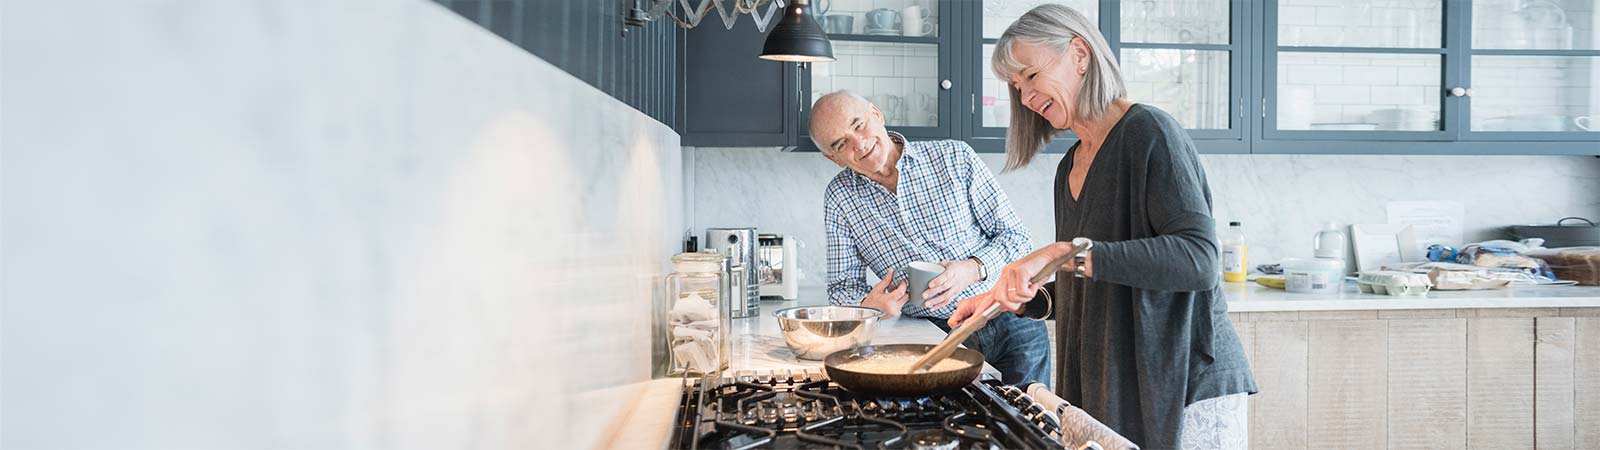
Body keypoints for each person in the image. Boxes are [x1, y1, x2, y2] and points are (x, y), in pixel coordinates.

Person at [948, 5, 1257, 449]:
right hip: (1115, 383)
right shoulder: (1070, 166)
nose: (1026, 97)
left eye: (1031, 76)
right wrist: (1028, 300)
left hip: (1183, 383)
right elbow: (1096, 282)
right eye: (1016, 87)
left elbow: (1200, 259)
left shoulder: (1149, 132)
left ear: (1079, 53)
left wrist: (1063, 253)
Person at [812, 91, 1050, 387]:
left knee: (1029, 423)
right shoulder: (839, 198)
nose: (859, 144)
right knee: (957, 427)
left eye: (859, 125)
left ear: (876, 113)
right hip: (937, 335)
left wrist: (972, 268)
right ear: (832, 159)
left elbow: (1018, 238)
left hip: (1011, 317)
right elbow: (841, 287)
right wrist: (869, 306)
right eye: (840, 144)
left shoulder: (954, 157)